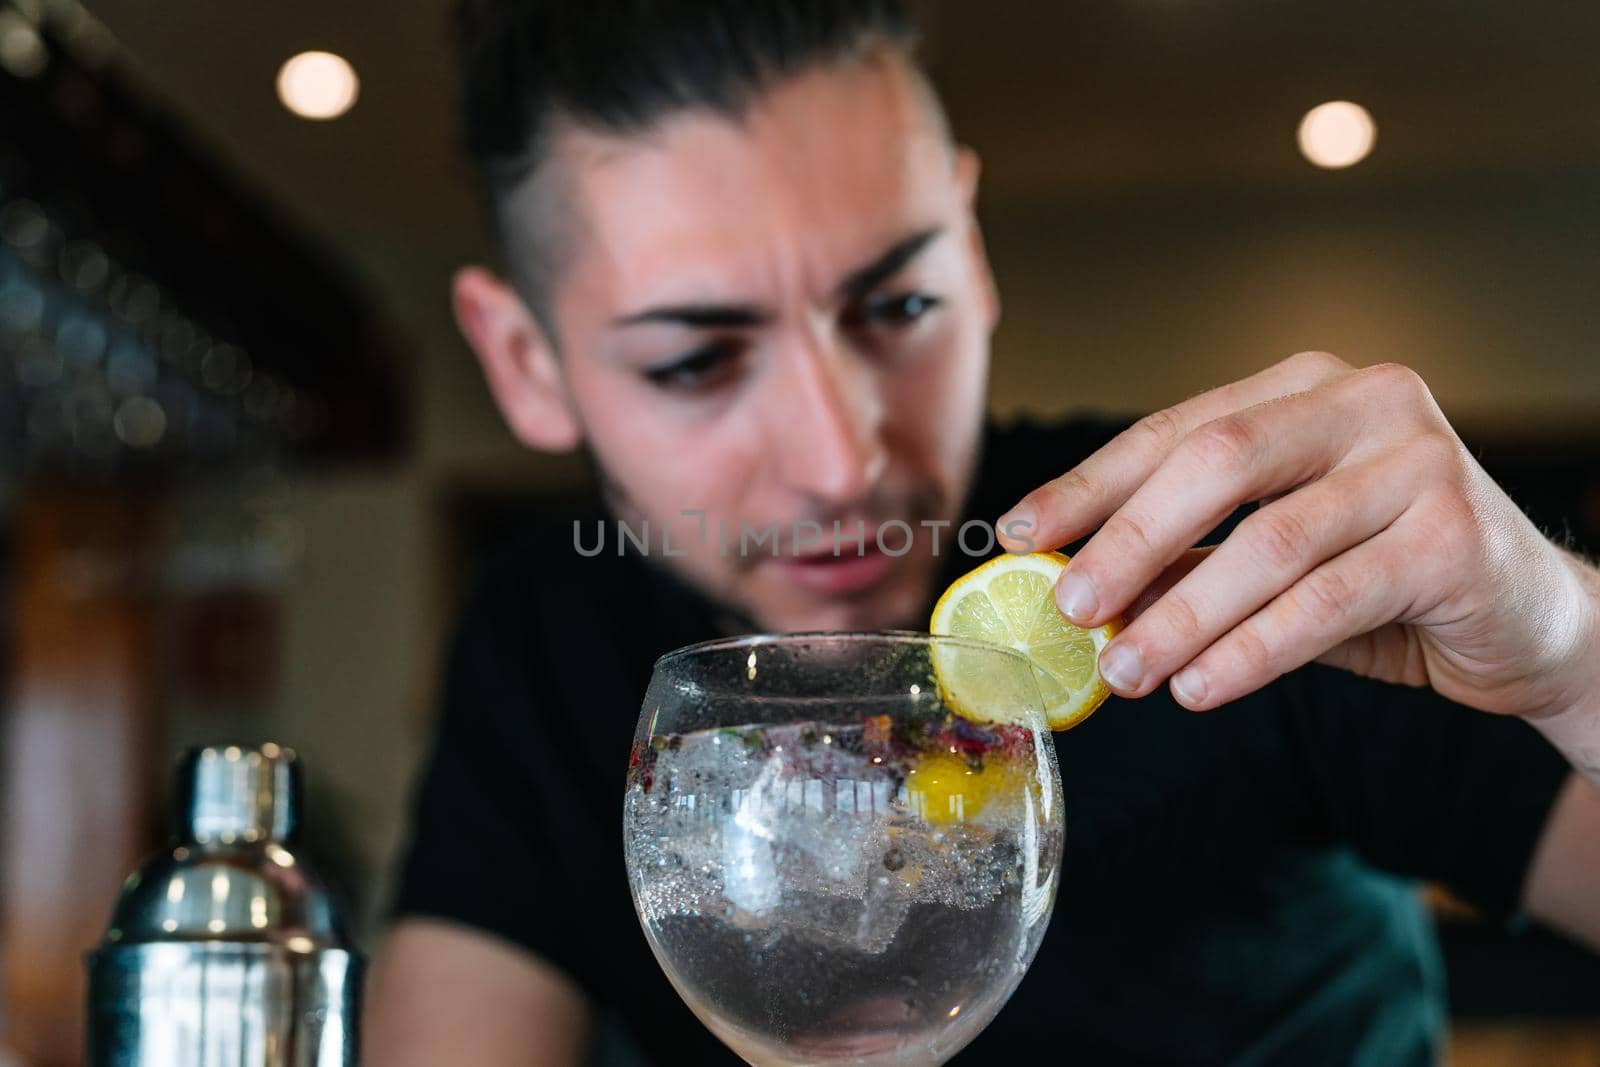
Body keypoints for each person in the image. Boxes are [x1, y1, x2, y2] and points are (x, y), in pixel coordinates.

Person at [364, 2, 1600, 1062]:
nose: (843, 460)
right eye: (695, 360)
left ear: (973, 241)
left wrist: (1572, 652)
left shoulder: (1216, 553)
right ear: (526, 363)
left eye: (899, 301)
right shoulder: (546, 635)